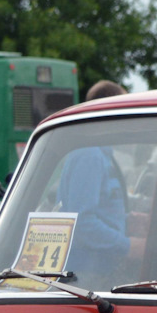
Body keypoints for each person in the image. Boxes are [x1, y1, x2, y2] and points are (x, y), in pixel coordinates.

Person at [55, 80, 131, 288]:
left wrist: (128, 219)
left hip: (96, 266)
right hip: (88, 270)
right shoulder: (90, 155)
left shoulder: (99, 153)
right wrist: (128, 246)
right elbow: (83, 222)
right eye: (124, 110)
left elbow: (100, 207)